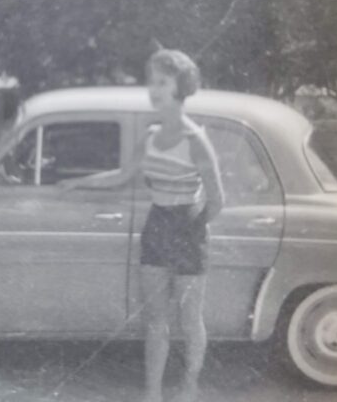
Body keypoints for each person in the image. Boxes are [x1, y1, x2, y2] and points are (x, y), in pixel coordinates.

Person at [59, 49, 225, 402]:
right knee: (154, 320)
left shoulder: (196, 140)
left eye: (161, 82)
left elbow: (218, 201)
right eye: (151, 82)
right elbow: (122, 175)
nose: (153, 89)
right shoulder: (150, 135)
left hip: (189, 229)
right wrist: (78, 182)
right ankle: (152, 394)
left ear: (180, 87)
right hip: (157, 227)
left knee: (190, 318)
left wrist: (191, 231)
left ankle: (189, 387)